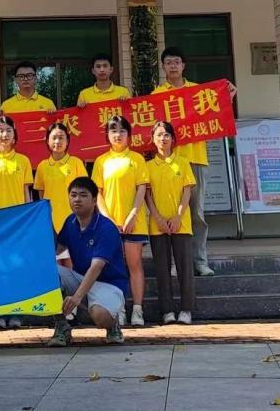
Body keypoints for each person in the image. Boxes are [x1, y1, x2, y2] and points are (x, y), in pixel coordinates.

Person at [153, 45, 237, 277]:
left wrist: (228, 96)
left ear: (183, 66)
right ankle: (175, 263)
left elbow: (218, 112)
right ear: (163, 67)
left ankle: (200, 261)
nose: (173, 66)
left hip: (196, 158)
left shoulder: (199, 92)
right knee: (171, 213)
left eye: (176, 62)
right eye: (168, 62)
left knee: (196, 213)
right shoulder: (156, 96)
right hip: (168, 161)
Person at [49, 176, 127, 346]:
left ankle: (113, 325)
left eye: (83, 195)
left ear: (94, 200)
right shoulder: (70, 222)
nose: (77, 199)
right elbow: (56, 250)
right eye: (73, 195)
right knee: (49, 272)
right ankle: (62, 327)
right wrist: (46, 222)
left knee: (100, 316)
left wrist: (77, 297)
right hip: (81, 279)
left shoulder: (106, 228)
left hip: (109, 285)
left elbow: (96, 267)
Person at [93, 116, 150, 327]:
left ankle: (137, 310)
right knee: (114, 268)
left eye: (122, 131)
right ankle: (119, 309)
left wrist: (132, 214)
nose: (118, 135)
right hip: (109, 225)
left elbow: (141, 188)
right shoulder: (101, 161)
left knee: (134, 265)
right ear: (107, 135)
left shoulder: (137, 159)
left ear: (129, 135)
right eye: (113, 130)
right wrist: (108, 219)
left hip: (133, 222)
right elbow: (97, 193)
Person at [0, 115, 33, 331]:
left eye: (8, 130)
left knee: (16, 267)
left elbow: (27, 193)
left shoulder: (23, 161)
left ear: (14, 134)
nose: (4, 134)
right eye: (0, 130)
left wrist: (29, 219)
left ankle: (16, 312)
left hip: (17, 223)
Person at [146, 120, 197, 325]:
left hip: (181, 223)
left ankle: (186, 309)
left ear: (173, 139)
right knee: (162, 268)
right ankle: (167, 310)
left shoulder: (182, 163)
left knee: (185, 268)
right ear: (153, 139)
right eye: (159, 135)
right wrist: (158, 218)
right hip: (157, 225)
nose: (163, 138)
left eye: (166, 134)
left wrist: (178, 216)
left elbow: (187, 191)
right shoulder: (148, 166)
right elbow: (147, 195)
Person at [33, 121, 87, 234]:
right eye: (54, 138)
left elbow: (85, 193)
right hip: (50, 221)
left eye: (61, 138)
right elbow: (42, 196)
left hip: (74, 219)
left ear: (67, 141)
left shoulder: (76, 163)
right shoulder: (42, 166)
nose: (57, 141)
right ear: (47, 141)